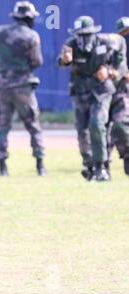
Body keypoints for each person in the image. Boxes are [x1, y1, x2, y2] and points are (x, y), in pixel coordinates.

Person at [58, 16, 118, 181]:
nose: (84, 38)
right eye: (80, 34)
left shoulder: (105, 43)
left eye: (87, 34)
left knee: (97, 124)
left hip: (101, 90)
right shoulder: (71, 44)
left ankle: (101, 167)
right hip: (80, 92)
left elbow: (119, 64)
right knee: (82, 131)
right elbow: (60, 62)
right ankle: (90, 165)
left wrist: (110, 72)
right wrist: (64, 60)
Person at [0, 1, 47, 177]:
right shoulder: (32, 35)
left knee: (3, 126)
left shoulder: (0, 32)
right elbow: (37, 61)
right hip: (23, 85)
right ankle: (40, 165)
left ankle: (3, 167)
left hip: (3, 85)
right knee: (33, 125)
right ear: (29, 18)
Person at [110, 17, 129, 175]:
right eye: (124, 33)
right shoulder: (115, 48)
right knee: (117, 126)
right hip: (121, 89)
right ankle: (102, 164)